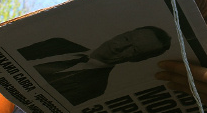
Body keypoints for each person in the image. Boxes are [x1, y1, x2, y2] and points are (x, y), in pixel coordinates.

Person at [18, 26, 172, 106]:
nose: (120, 47)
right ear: (121, 33)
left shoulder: (94, 89)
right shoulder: (58, 43)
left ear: (136, 59)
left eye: (133, 49)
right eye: (126, 39)